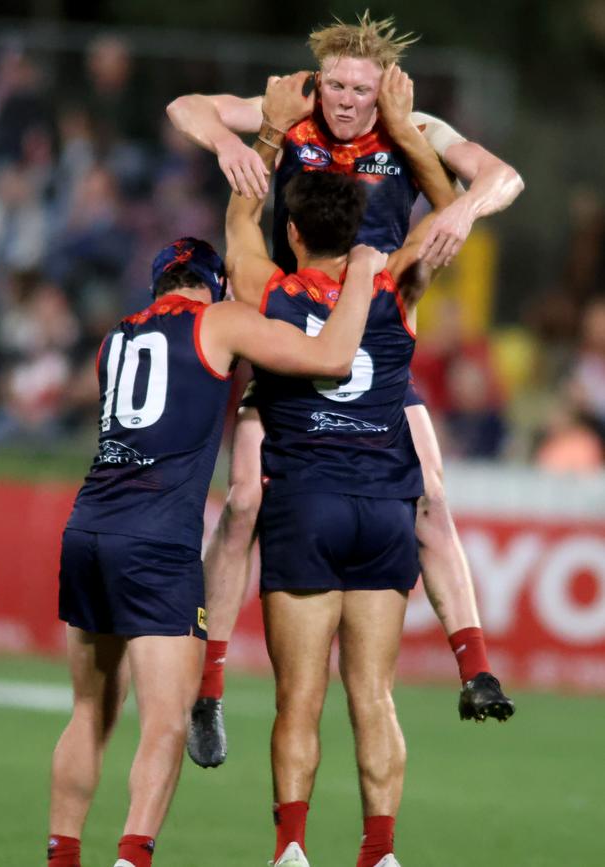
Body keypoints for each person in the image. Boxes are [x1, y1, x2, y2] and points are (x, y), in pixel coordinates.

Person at [167, 12, 522, 768]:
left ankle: (478, 666)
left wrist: (460, 204)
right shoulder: (291, 102)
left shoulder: (410, 119)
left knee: (431, 492)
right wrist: (232, 141)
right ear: (318, 78)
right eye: (336, 84)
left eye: (362, 87)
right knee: (243, 504)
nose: (348, 100)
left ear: (381, 85)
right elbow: (184, 107)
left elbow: (504, 177)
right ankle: (210, 688)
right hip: (291, 335)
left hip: (377, 338)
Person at [47, 229, 382, 867]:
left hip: (87, 529)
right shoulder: (219, 320)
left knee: (89, 711)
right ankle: (133, 858)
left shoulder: (115, 337)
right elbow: (334, 358)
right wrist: (363, 272)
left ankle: (61, 856)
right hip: (157, 544)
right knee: (167, 723)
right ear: (213, 283)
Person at [223, 90, 437, 867]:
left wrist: (272, 138)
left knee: (299, 698)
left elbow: (237, 225)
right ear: (357, 232)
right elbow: (441, 222)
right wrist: (410, 140)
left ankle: (291, 849)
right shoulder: (395, 285)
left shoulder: (269, 292)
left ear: (293, 231)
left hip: (306, 503)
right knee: (373, 694)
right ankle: (379, 852)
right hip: (384, 506)